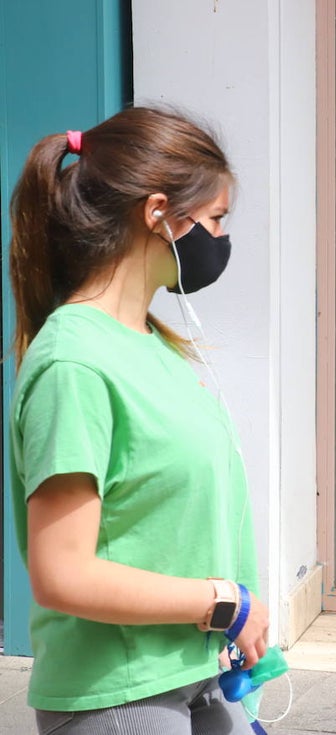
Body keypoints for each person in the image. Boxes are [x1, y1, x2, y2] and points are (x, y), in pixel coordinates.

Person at [7, 106, 268, 734]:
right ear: (157, 214)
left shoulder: (148, 340)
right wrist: (223, 604)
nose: (221, 239)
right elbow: (62, 573)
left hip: (195, 673)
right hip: (122, 695)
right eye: (214, 220)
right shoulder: (75, 362)